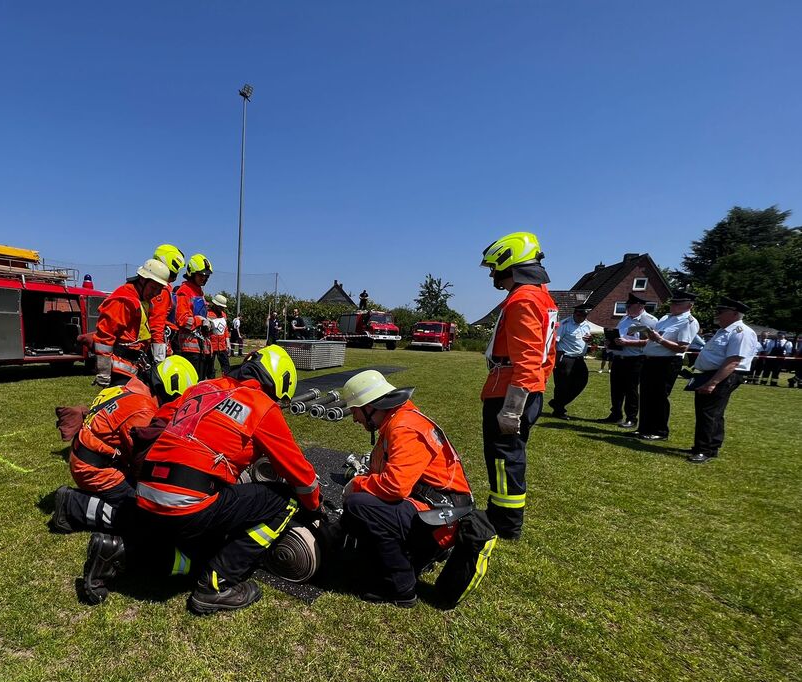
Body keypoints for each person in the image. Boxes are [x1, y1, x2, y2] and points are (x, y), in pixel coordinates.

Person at [88, 346, 321, 615]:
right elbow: (300, 475)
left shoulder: (201, 388)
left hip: (146, 491)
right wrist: (315, 507)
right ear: (279, 384)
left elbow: (158, 421)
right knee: (285, 500)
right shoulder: (262, 405)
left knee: (200, 548)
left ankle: (117, 549)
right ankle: (216, 584)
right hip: (187, 502)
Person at [337, 370, 496, 608]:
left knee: (359, 506)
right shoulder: (397, 420)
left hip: (440, 519)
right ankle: (415, 557)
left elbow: (395, 487)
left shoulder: (404, 428)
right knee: (362, 510)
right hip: (437, 511)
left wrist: (357, 484)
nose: (354, 419)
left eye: (355, 411)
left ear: (369, 406)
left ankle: (400, 587)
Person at [50, 355, 199, 534]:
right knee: (146, 514)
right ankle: (72, 504)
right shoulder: (143, 411)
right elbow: (144, 463)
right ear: (167, 391)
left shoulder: (132, 387)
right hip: (95, 469)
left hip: (90, 456)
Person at [478, 232, 558, 541]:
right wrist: (537, 386)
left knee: (504, 459)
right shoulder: (542, 296)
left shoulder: (523, 299)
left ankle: (505, 522)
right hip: (526, 389)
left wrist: (512, 409)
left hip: (510, 392)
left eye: (493, 268)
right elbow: (546, 355)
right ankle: (503, 515)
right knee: (509, 457)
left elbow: (528, 358)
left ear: (507, 263)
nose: (492, 275)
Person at [687, 298, 759, 463]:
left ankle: (704, 450)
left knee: (709, 413)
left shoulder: (741, 332)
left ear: (734, 314)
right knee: (709, 412)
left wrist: (713, 383)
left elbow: (733, 361)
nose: (717, 315)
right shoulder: (723, 331)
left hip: (723, 375)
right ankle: (709, 446)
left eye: (721, 312)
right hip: (710, 374)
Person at [86, 259, 170, 387]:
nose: (154, 294)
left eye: (159, 290)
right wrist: (104, 372)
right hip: (119, 370)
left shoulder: (142, 301)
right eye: (153, 288)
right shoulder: (124, 300)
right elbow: (104, 338)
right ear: (142, 280)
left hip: (133, 368)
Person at [635, 290, 700, 440]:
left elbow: (682, 347)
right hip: (651, 360)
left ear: (689, 306)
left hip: (667, 362)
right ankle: (644, 428)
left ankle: (659, 431)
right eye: (673, 303)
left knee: (659, 396)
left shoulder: (689, 322)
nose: (673, 305)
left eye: (678, 303)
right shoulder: (666, 318)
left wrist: (659, 340)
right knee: (646, 395)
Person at [598, 293, 658, 429]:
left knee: (631, 390)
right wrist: (610, 342)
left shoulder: (649, 321)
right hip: (619, 358)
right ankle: (615, 414)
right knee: (616, 389)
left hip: (636, 360)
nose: (627, 308)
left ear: (640, 306)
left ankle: (631, 418)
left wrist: (628, 343)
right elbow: (620, 335)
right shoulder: (625, 319)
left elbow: (651, 342)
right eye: (627, 305)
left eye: (629, 305)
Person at [548, 302, 593, 419]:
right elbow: (555, 342)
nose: (581, 318)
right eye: (579, 315)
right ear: (575, 313)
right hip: (565, 357)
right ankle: (558, 411)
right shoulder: (565, 324)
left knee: (581, 382)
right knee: (562, 385)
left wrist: (589, 340)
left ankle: (557, 403)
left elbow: (586, 339)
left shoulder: (586, 325)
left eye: (584, 316)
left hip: (579, 358)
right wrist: (554, 359)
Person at [172, 253, 213, 378]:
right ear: (192, 273)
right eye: (201, 275)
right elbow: (181, 319)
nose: (204, 278)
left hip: (201, 347)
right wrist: (200, 321)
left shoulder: (198, 291)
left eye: (206, 276)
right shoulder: (184, 291)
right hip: (189, 349)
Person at [147, 244, 186, 363]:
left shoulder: (151, 284)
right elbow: (156, 323)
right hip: (155, 343)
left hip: (157, 340)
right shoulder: (162, 289)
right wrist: (159, 355)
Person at [205, 294, 231, 379]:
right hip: (211, 346)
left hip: (222, 346)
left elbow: (225, 329)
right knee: (210, 368)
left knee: (226, 366)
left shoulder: (224, 315)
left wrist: (228, 343)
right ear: (215, 305)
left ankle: (226, 380)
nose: (222, 309)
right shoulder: (207, 314)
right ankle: (211, 381)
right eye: (220, 307)